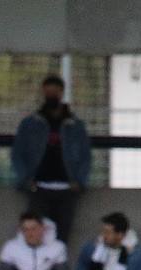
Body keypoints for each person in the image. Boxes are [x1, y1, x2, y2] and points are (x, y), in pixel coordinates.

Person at [12, 75, 90, 245]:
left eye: (54, 93)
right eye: (48, 93)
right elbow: (18, 153)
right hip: (39, 187)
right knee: (37, 237)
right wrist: (25, 180)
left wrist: (80, 181)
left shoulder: (75, 125)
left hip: (66, 188)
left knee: (62, 239)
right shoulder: (30, 123)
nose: (51, 97)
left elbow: (85, 155)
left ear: (61, 93)